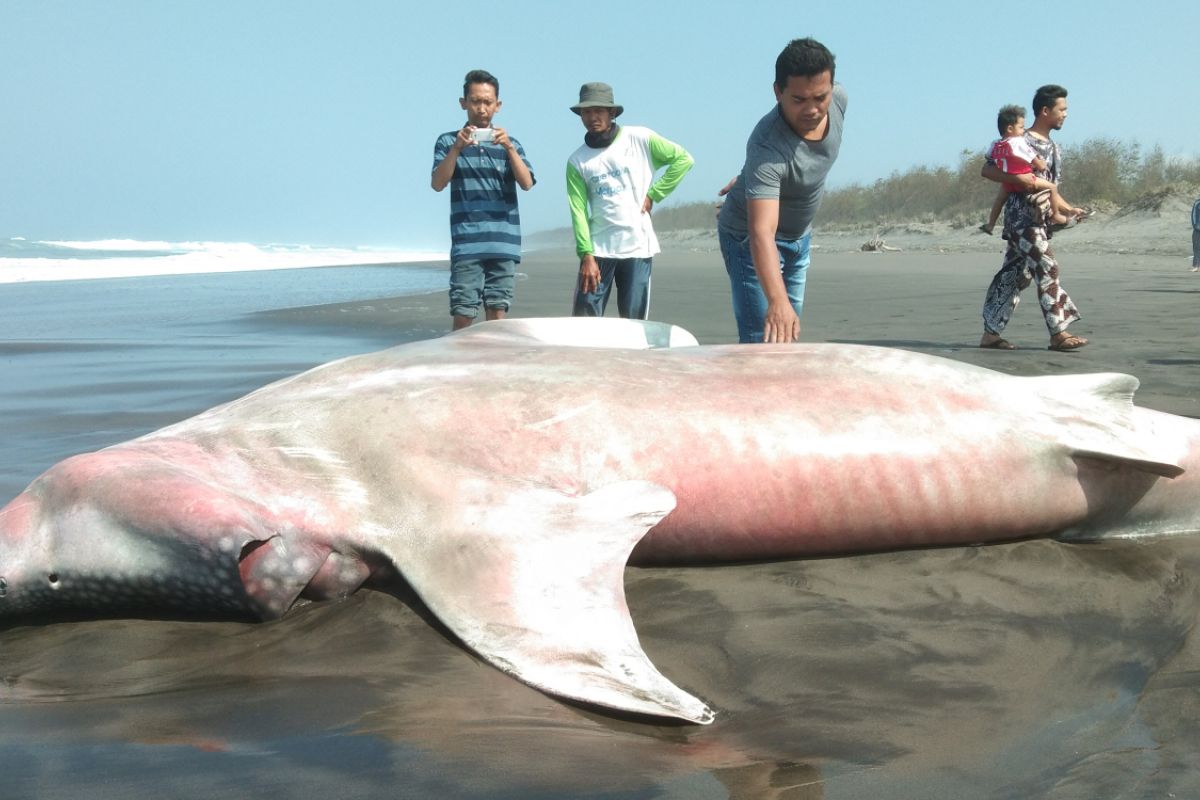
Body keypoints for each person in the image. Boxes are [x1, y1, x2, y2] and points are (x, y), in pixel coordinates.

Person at [716, 37, 847, 343]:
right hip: (750, 240)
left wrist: (747, 177)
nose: (812, 110)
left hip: (800, 237)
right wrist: (776, 301)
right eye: (799, 100)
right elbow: (761, 231)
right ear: (778, 92)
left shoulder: (839, 99)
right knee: (763, 342)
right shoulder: (767, 144)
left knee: (788, 336)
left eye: (820, 97)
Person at [566, 82, 693, 319]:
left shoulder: (640, 139)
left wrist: (655, 194)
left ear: (612, 112)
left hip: (637, 246)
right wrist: (586, 255)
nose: (592, 117)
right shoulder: (577, 161)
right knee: (584, 323)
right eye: (586, 111)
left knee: (634, 323)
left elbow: (683, 159)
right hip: (599, 249)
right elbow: (578, 211)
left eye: (598, 110)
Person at [978, 84, 1089, 351]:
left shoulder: (1054, 148)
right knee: (1048, 267)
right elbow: (987, 170)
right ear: (1045, 110)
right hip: (1021, 221)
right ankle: (1058, 332)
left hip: (1038, 222)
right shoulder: (1018, 139)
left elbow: (1051, 187)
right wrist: (1020, 180)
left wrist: (1069, 209)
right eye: (1062, 110)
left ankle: (991, 333)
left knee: (1016, 275)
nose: (1065, 115)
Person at [432, 69, 535, 330]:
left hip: (504, 243)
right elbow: (437, 183)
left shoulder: (512, 145)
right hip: (467, 243)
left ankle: (493, 369)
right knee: (464, 313)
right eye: (475, 101)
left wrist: (509, 148)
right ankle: (460, 367)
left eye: (487, 102)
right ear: (463, 103)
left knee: (497, 315)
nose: (481, 108)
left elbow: (527, 183)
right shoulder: (447, 141)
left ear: (497, 106)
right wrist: (456, 149)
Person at [979, 104, 1075, 235]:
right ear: (1010, 128)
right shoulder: (1018, 142)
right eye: (1021, 127)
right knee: (1051, 187)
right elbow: (1032, 156)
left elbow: (989, 159)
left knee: (999, 200)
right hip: (1026, 179)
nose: (1024, 131)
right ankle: (1056, 215)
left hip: (1008, 184)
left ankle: (990, 224)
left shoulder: (996, 144)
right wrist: (1040, 164)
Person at [1191, 196, 1200, 272]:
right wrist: (1195, 226)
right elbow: (1193, 215)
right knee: (1196, 247)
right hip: (1197, 229)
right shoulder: (1197, 202)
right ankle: (1196, 266)